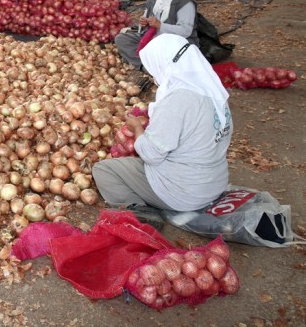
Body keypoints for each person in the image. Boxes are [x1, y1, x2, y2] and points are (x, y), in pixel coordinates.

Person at [92, 34, 232, 227]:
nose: (152, 74)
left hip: (185, 193)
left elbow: (152, 155)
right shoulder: (213, 91)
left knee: (103, 170)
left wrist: (138, 129)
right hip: (214, 184)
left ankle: (141, 211)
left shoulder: (177, 100)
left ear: (164, 63)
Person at [114, 0, 199, 69]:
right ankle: (144, 66)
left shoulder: (184, 3)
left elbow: (186, 31)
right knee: (121, 39)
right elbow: (146, 25)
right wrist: (143, 24)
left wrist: (160, 25)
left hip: (176, 43)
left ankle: (154, 65)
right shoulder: (153, 0)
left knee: (170, 53)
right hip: (154, 39)